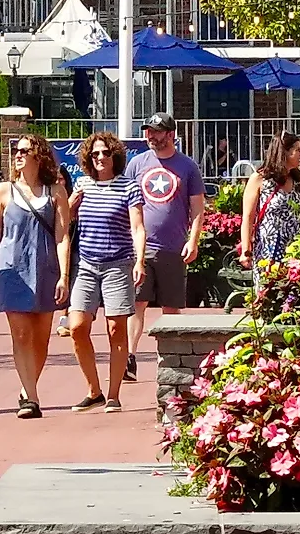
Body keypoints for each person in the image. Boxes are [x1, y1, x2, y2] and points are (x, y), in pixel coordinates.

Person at [0, 132, 67, 418]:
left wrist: (64, 275)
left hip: (44, 269)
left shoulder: (55, 192)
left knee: (41, 338)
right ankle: (31, 397)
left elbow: (62, 236)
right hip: (11, 269)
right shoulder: (4, 191)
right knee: (21, 334)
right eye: (15, 150)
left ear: (38, 156)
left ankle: (27, 386)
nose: (18, 155)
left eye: (24, 151)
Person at [123, 112, 203, 381]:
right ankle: (129, 358)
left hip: (173, 246)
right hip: (141, 248)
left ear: (171, 135)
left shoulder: (188, 167)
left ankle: (170, 359)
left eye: (157, 132)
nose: (151, 137)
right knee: (137, 302)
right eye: (148, 131)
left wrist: (193, 240)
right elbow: (126, 204)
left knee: (171, 306)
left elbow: (198, 208)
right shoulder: (136, 164)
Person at [63, 131, 136, 412]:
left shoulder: (128, 187)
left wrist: (139, 260)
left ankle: (114, 394)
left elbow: (137, 226)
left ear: (114, 155)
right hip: (86, 264)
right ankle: (94, 390)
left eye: (105, 153)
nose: (101, 158)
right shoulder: (82, 184)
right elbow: (64, 222)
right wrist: (70, 207)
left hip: (118, 263)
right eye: (95, 154)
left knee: (116, 328)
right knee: (77, 327)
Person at [238, 132, 300, 268]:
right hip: (268, 251)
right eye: (297, 150)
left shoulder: (299, 181)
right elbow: (248, 217)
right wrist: (246, 250)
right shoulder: (259, 179)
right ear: (283, 152)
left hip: (296, 253)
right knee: (268, 288)